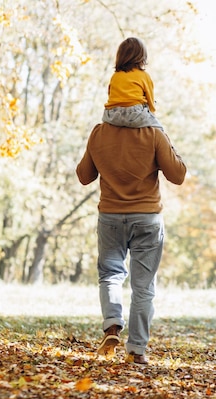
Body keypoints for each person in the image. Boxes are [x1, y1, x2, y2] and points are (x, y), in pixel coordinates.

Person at [76, 122, 186, 364]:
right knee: (143, 287)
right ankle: (136, 350)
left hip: (110, 217)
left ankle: (112, 327)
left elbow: (84, 176)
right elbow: (178, 175)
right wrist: (165, 140)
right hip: (147, 218)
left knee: (110, 274)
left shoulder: (99, 132)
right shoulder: (154, 133)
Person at [102, 37, 164, 130]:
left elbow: (111, 95)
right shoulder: (144, 76)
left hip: (112, 115)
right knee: (159, 129)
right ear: (142, 57)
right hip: (134, 114)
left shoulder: (115, 76)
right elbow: (150, 101)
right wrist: (152, 114)